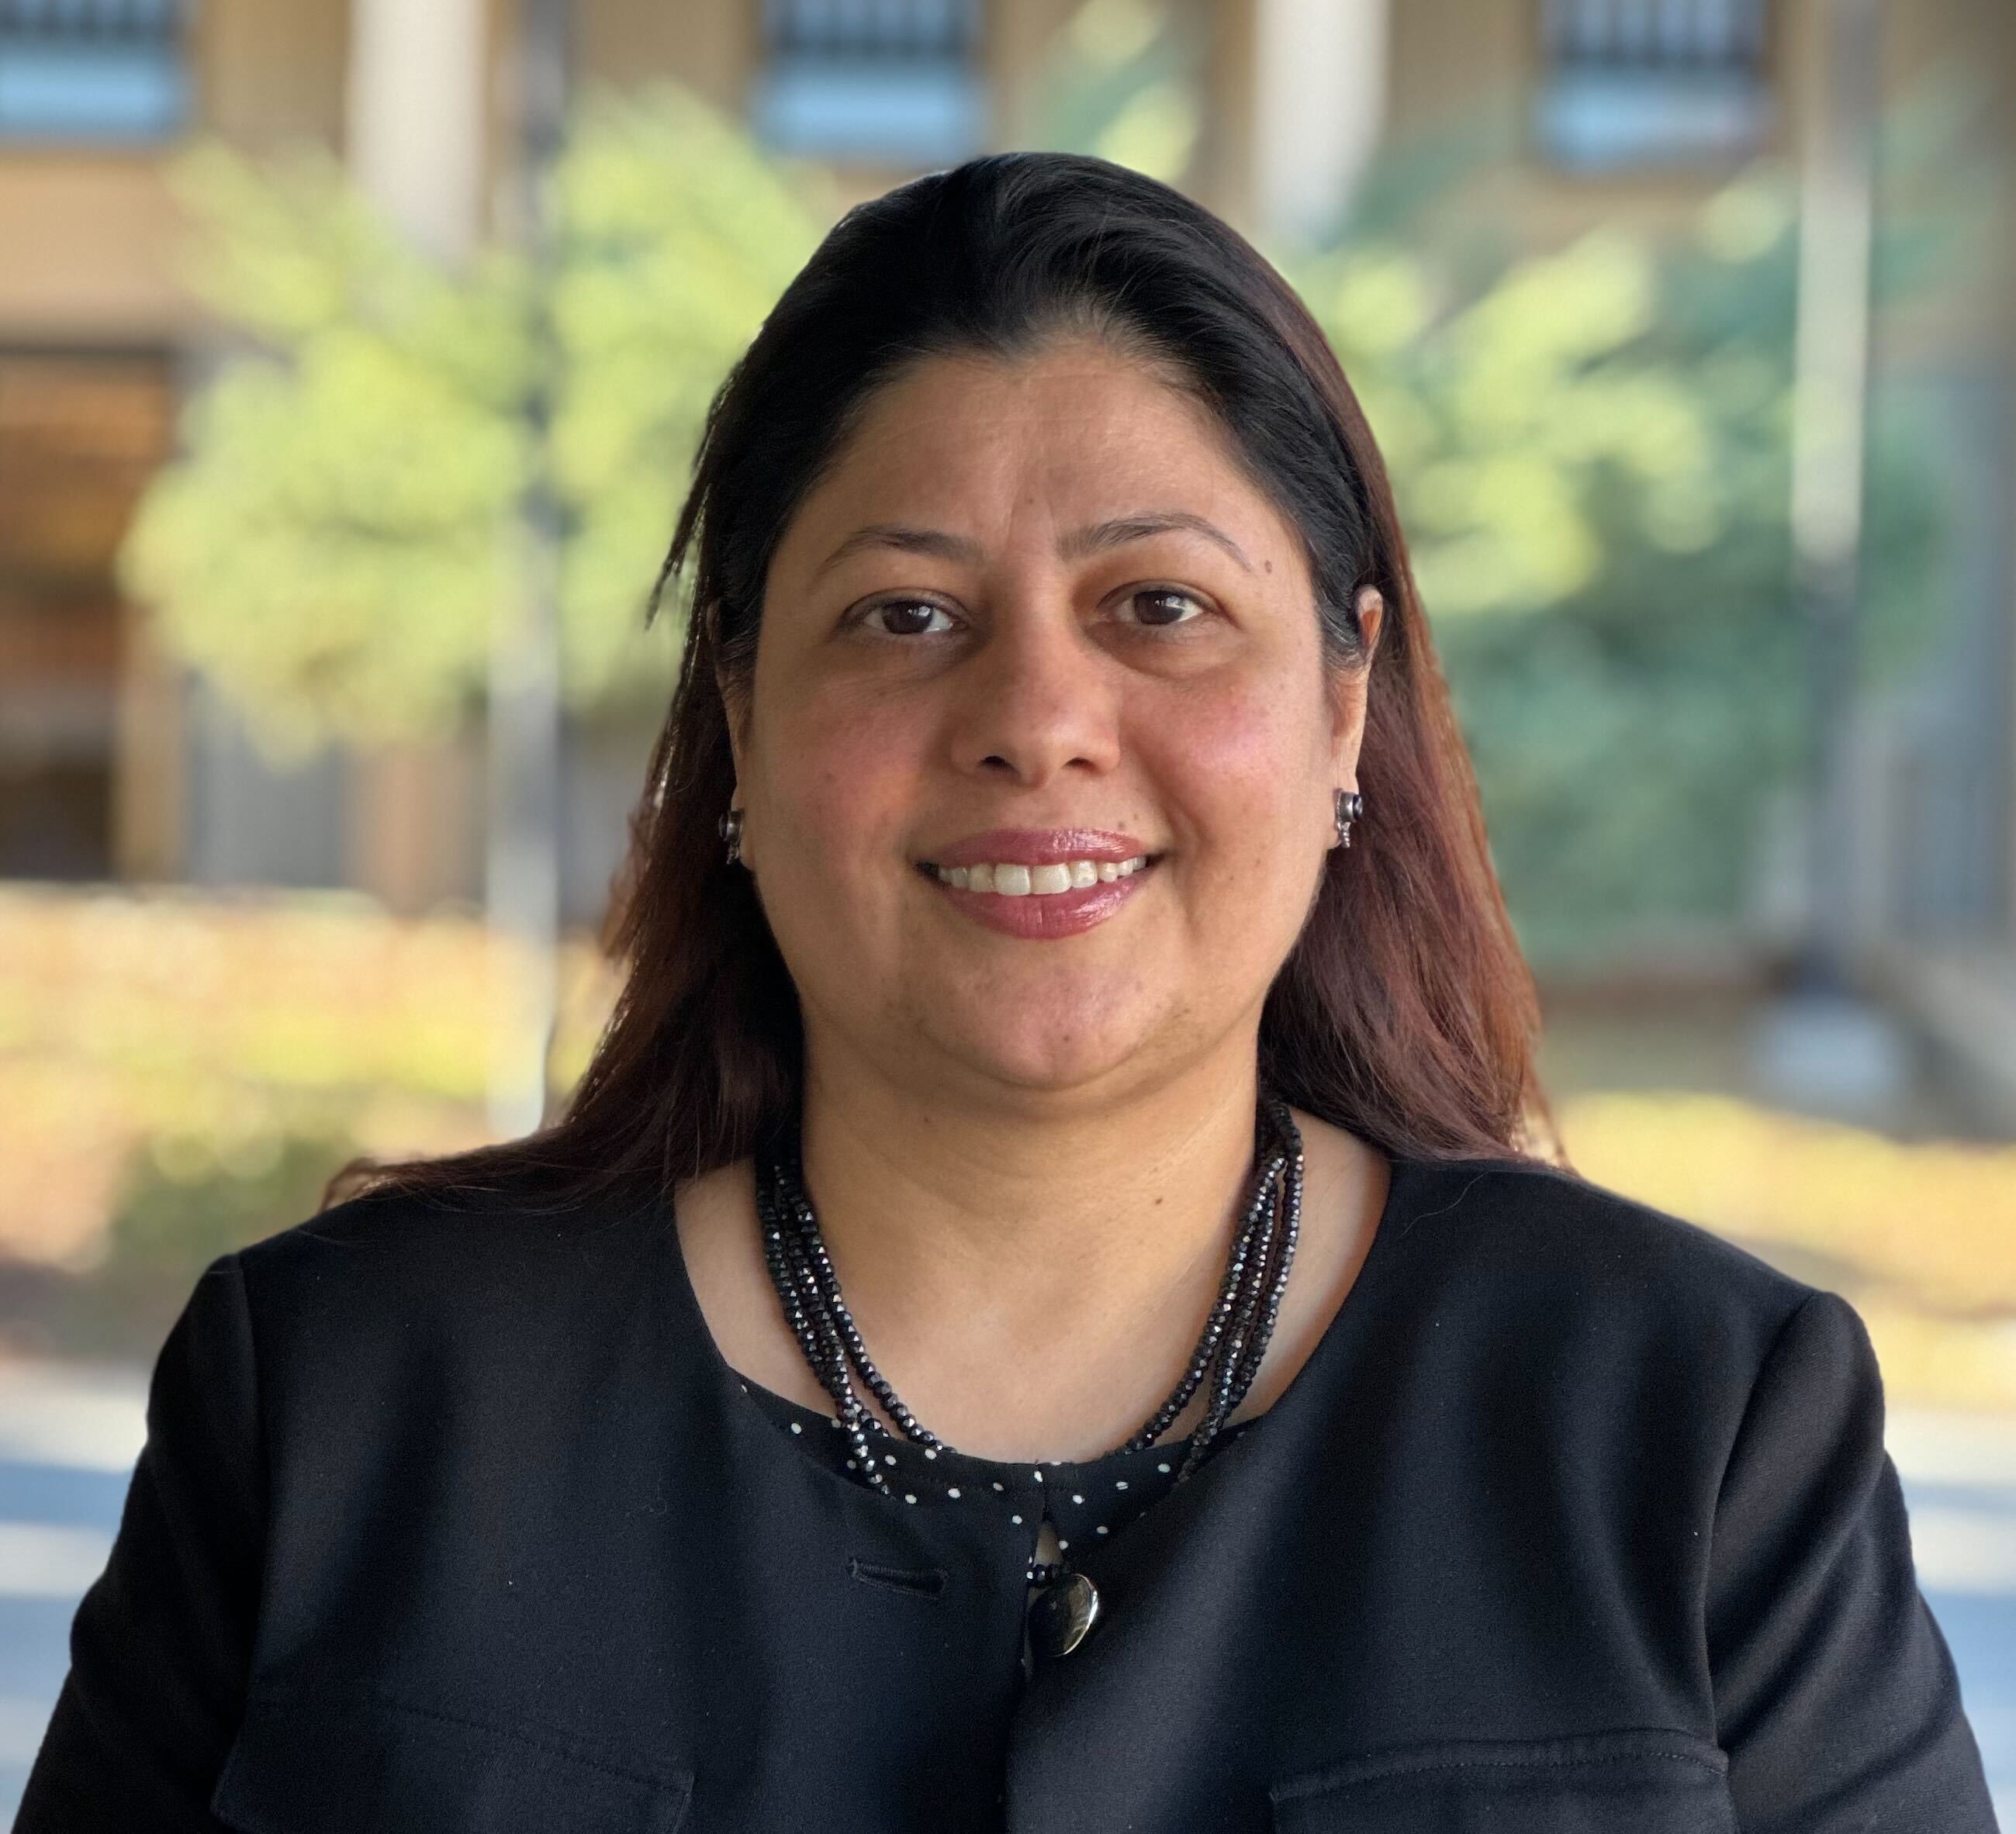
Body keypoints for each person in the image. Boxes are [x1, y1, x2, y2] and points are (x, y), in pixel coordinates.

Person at [19, 152, 1995, 1834]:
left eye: (1161, 607)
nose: (1038, 718)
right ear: (739, 713)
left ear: (1344, 704)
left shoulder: (1692, 1425)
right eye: (906, 614)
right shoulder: (347, 1401)